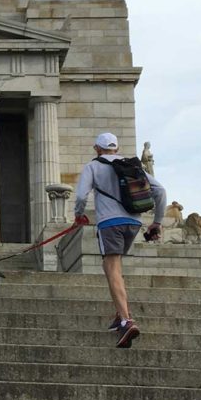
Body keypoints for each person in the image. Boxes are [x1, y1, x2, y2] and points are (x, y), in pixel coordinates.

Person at [73, 132, 166, 348]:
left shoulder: (93, 166)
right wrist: (157, 223)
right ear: (116, 148)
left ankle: (126, 320)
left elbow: (80, 196)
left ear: (97, 148)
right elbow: (160, 190)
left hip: (109, 223)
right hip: (133, 223)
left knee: (111, 268)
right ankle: (120, 312)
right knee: (116, 267)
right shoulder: (132, 165)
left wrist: (79, 215)